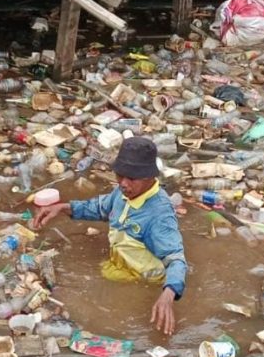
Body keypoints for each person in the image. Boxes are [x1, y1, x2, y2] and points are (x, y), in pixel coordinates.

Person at [32, 137, 187, 335]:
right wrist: (64, 207)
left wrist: (168, 293)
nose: (123, 183)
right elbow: (99, 208)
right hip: (119, 266)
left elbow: (176, 259)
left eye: (131, 178)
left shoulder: (159, 215)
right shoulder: (123, 193)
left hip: (146, 280)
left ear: (149, 178)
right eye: (119, 175)